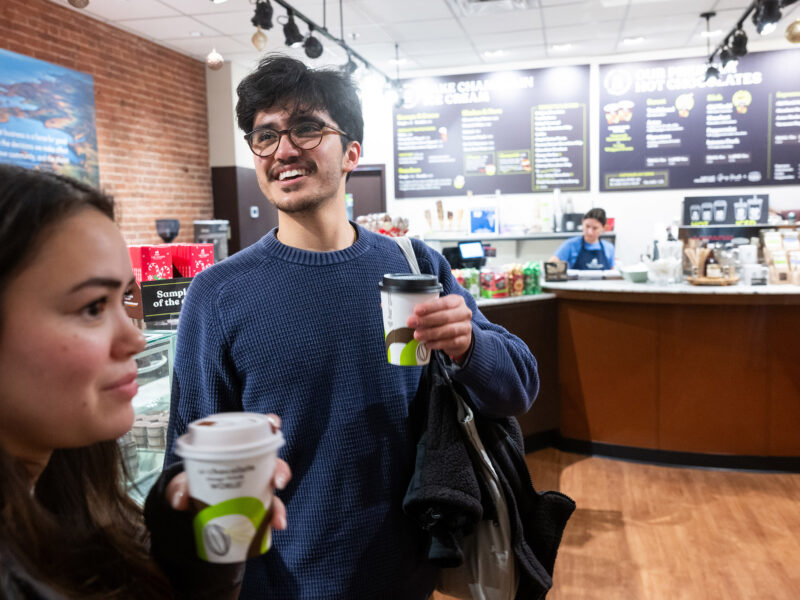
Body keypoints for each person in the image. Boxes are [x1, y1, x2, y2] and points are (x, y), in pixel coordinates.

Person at [165, 54, 539, 600]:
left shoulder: (415, 266)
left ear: (352, 155)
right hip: (280, 585)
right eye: (264, 136)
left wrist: (468, 344)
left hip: (408, 577)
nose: (283, 150)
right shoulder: (218, 294)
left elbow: (519, 387)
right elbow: (187, 459)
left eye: (307, 129)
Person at [0, 165, 289, 599]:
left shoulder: (67, 506)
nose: (135, 338)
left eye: (125, 299)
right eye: (93, 307)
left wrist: (186, 543)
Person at [549, 207, 615, 270]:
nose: (590, 232)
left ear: (603, 228)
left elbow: (612, 273)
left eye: (595, 228)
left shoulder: (609, 247)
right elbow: (550, 265)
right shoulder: (570, 245)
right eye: (587, 226)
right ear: (582, 222)